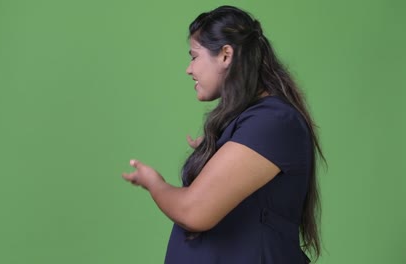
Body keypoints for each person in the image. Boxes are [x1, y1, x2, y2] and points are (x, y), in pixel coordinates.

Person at [122, 5, 325, 264]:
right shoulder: (252, 121)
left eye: (194, 57)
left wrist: (154, 183)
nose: (189, 69)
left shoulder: (272, 122)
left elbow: (194, 211)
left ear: (225, 55)